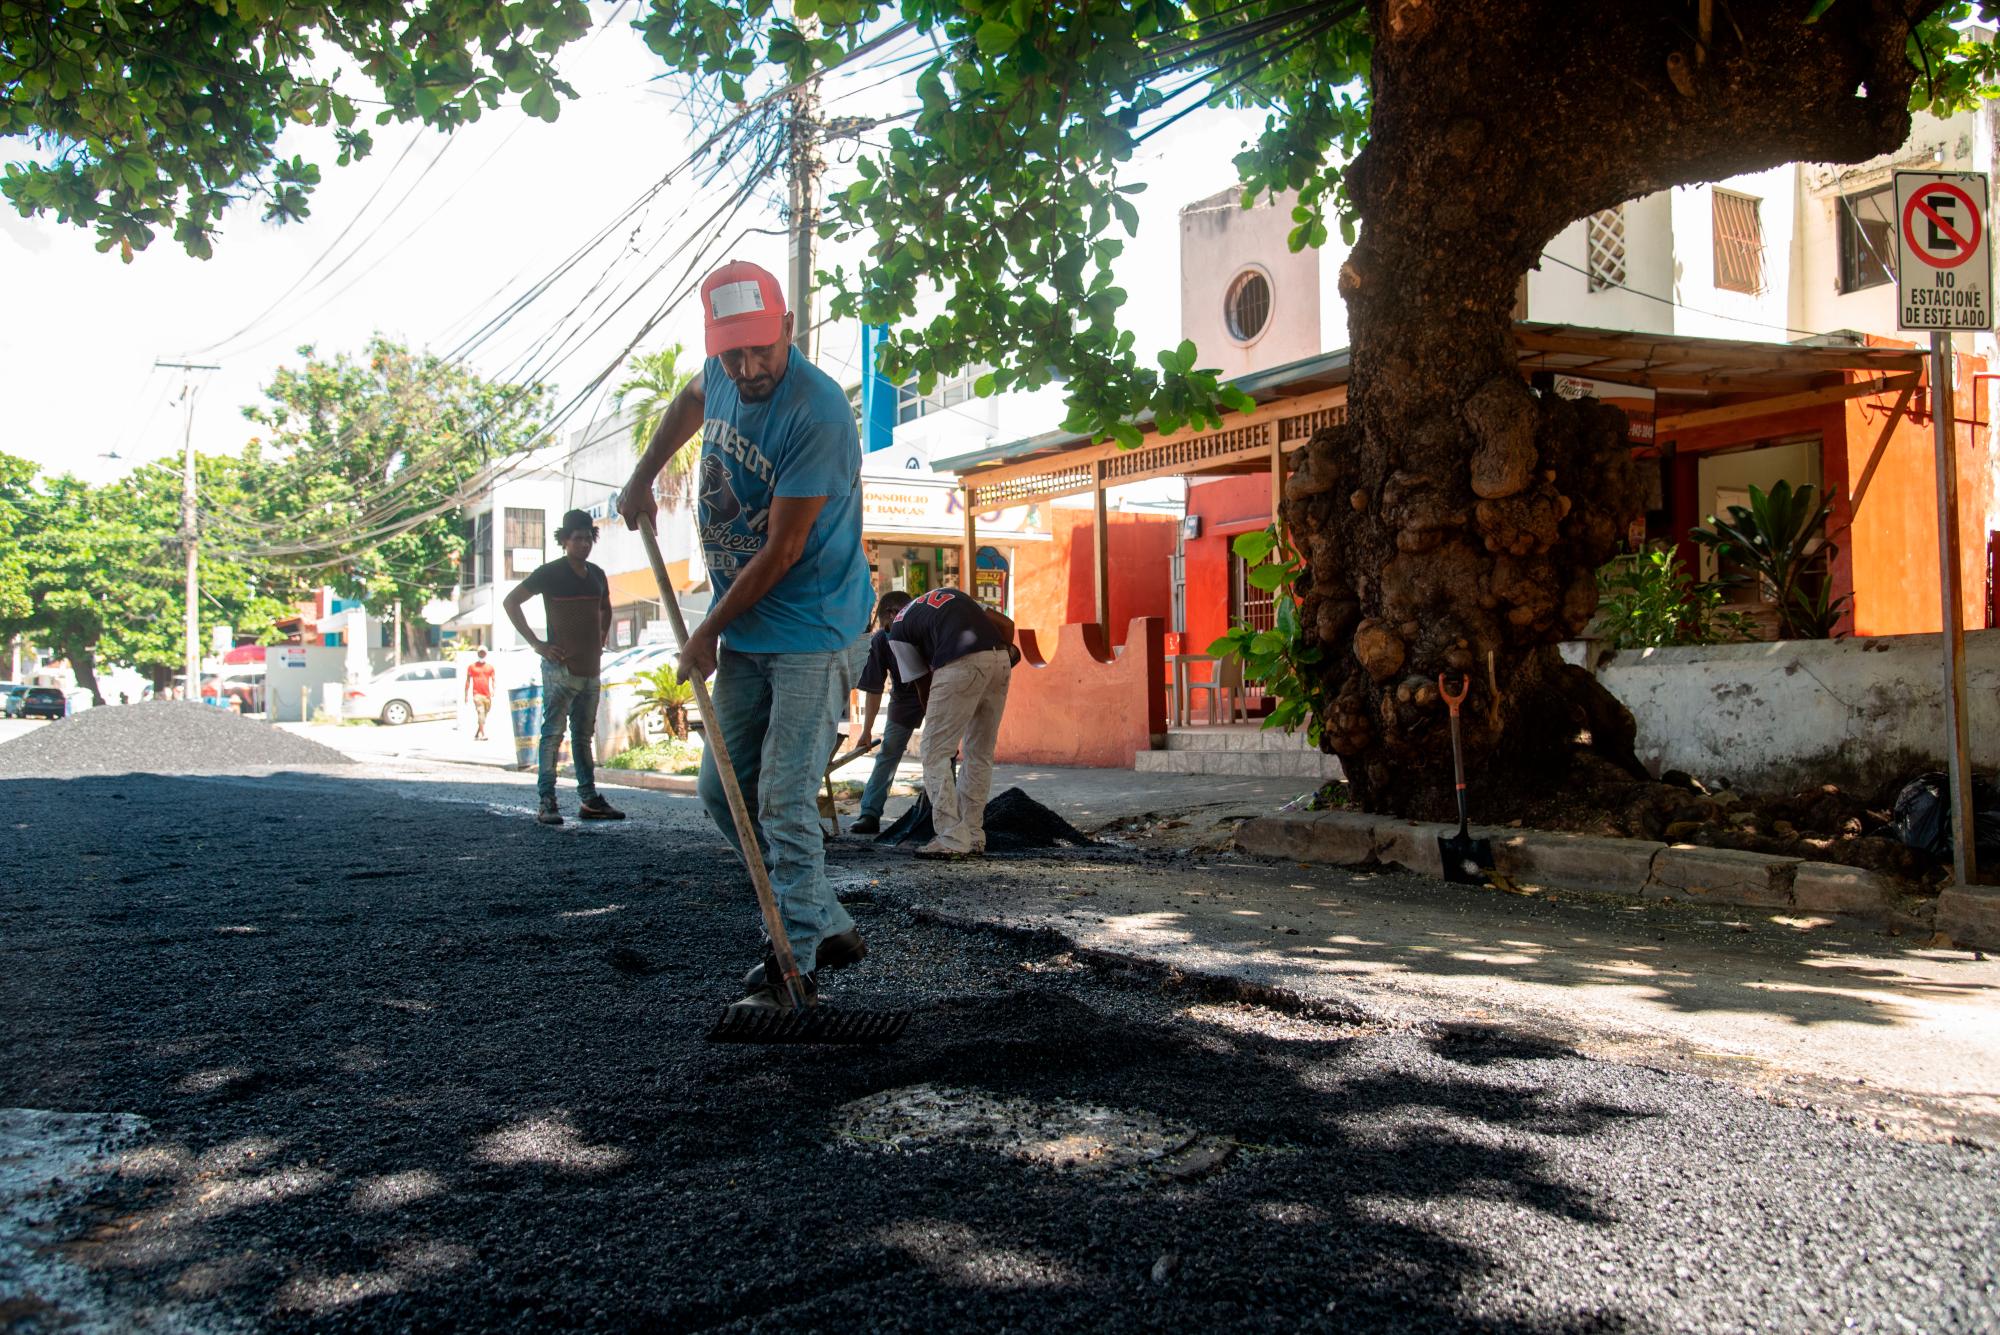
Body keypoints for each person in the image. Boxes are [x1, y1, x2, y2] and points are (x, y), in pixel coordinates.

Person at [617, 259, 874, 1012]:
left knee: (783, 797)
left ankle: (793, 964)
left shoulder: (818, 412)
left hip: (813, 628)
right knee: (718, 790)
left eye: (762, 348)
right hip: (751, 629)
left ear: (787, 329)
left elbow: (784, 550)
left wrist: (706, 630)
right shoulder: (721, 372)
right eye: (735, 352)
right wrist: (643, 476)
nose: (749, 366)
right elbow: (692, 397)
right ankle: (820, 918)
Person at [503, 510, 626, 827]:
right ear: (564, 540)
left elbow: (605, 608)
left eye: (588, 537)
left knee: (583, 736)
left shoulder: (597, 574)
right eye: (577, 538)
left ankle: (589, 800)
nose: (583, 543)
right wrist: (538, 644)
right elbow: (511, 602)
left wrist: (601, 635)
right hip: (560, 669)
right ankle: (547, 801)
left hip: (591, 669)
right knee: (552, 735)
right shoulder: (550, 573)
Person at [886, 587, 1016, 859]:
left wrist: (938, 729)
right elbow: (1007, 624)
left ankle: (951, 837)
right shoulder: (949, 594)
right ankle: (973, 834)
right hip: (1000, 658)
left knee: (933, 751)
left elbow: (923, 682)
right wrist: (996, 665)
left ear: (890, 615)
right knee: (979, 753)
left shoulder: (897, 627)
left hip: (960, 662)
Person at [850, 590, 918, 835]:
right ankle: (869, 813)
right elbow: (874, 688)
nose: (886, 629)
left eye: (884, 624)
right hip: (904, 701)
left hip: (937, 695)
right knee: (888, 753)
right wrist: (866, 731)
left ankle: (941, 814)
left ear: (893, 613)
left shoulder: (924, 624)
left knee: (942, 753)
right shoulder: (881, 640)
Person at [464, 648, 497, 740]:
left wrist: (493, 690)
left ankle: (477, 732)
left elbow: (493, 679)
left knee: (484, 714)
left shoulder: (489, 667)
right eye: (480, 652)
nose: (481, 654)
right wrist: (466, 695)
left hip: (487, 695)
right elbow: (468, 681)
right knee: (481, 713)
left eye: (483, 652)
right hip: (477, 694)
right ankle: (483, 734)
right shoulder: (472, 667)